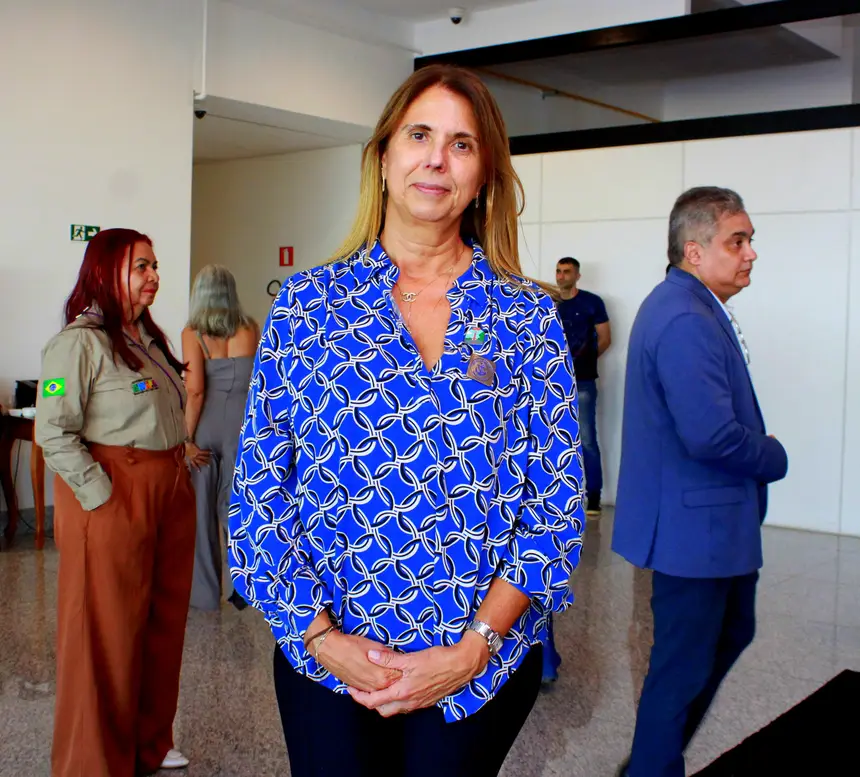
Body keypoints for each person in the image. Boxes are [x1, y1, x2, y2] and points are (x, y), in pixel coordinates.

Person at [229, 64, 585, 777]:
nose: (436, 158)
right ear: (384, 157)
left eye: (462, 144)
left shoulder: (525, 316)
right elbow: (259, 492)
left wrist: (473, 650)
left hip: (476, 669)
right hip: (327, 660)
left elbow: (556, 504)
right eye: (419, 135)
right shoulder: (307, 307)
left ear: (483, 175)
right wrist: (320, 637)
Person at [611, 187, 789, 777]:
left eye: (750, 240)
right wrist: (773, 455)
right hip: (694, 531)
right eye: (737, 241)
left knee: (726, 636)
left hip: (710, 526)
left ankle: (651, 760)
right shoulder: (685, 316)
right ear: (694, 250)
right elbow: (710, 436)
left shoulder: (693, 304)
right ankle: (651, 768)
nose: (750, 253)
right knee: (682, 667)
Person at [35, 229, 195, 777]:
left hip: (167, 490)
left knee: (160, 624)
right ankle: (92, 761)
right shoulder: (78, 344)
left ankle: (147, 744)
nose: (154, 276)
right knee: (103, 633)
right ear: (105, 272)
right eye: (141, 267)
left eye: (154, 266)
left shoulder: (145, 338)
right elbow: (52, 432)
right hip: (113, 493)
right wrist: (100, 496)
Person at [183, 265, 258, 611]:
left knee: (201, 513)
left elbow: (195, 391)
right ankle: (244, 588)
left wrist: (186, 439)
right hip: (242, 427)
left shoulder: (193, 333)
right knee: (239, 508)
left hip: (207, 426)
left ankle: (205, 594)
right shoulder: (250, 327)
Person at [555, 256, 611, 517]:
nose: (561, 276)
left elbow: (605, 338)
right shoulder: (549, 301)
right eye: (558, 271)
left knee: (586, 439)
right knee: (555, 439)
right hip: (553, 382)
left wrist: (585, 361)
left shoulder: (592, 302)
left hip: (583, 381)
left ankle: (594, 497)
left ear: (577, 275)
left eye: (567, 272)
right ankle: (559, 496)